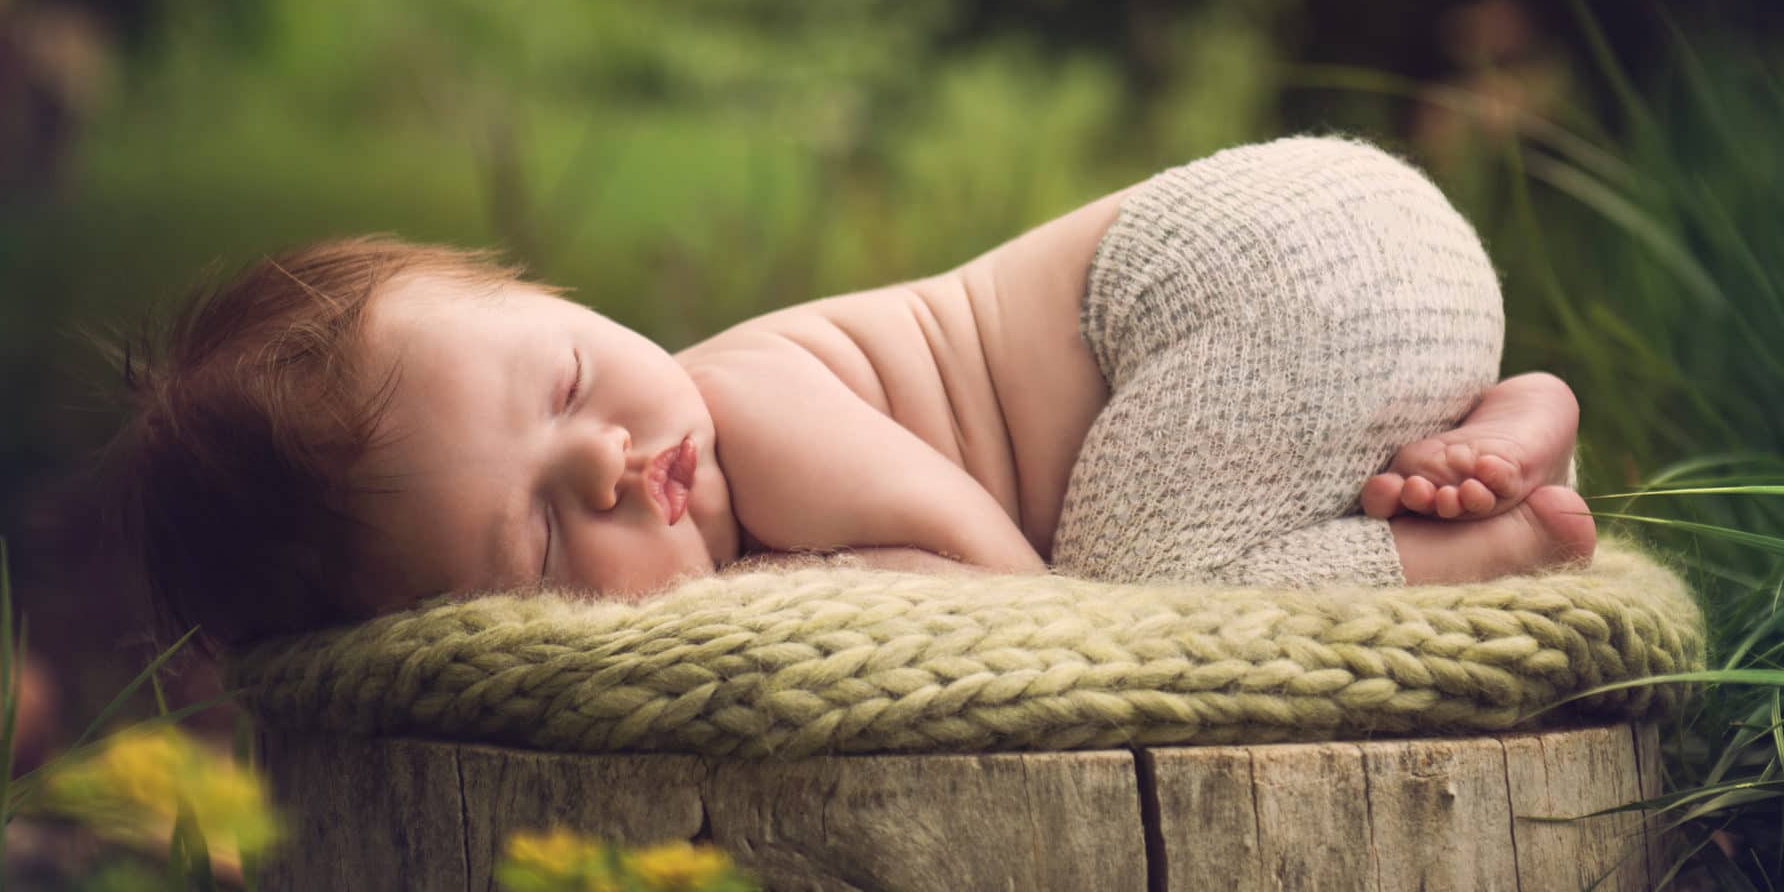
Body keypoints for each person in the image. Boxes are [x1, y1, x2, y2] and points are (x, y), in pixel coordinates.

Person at [98, 135, 1596, 651]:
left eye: (567, 379)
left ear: (548, 292)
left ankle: (1487, 541)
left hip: (1241, 268)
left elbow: (1016, 602)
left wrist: (847, 590)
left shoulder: (755, 398)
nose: (613, 464)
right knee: (1192, 515)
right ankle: (1490, 413)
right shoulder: (682, 449)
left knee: (1159, 602)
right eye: (544, 549)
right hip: (1351, 264)